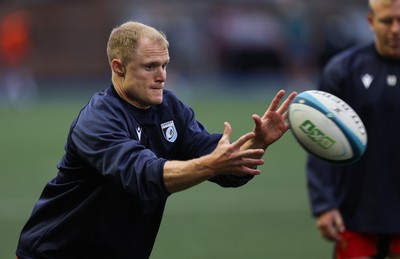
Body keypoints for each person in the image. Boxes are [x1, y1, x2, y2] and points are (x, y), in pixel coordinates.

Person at [15, 21, 297, 259]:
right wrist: (212, 165)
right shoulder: (98, 120)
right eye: (150, 66)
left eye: (165, 65)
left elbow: (225, 166)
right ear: (119, 67)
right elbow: (144, 176)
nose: (162, 76)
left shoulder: (170, 108)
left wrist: (259, 142)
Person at [306, 0, 400, 258]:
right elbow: (319, 142)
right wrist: (324, 204)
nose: (395, 29)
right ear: (371, 22)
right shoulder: (343, 70)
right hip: (356, 215)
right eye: (386, 21)